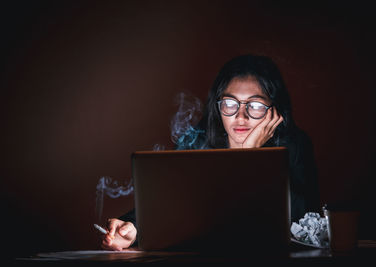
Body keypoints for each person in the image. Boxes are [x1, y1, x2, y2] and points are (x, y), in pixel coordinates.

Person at [100, 54, 320, 251]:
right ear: (218, 107)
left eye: (255, 105)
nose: (240, 116)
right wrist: (133, 228)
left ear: (275, 112)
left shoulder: (294, 147)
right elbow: (166, 206)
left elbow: (302, 221)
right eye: (230, 103)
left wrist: (250, 155)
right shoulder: (197, 143)